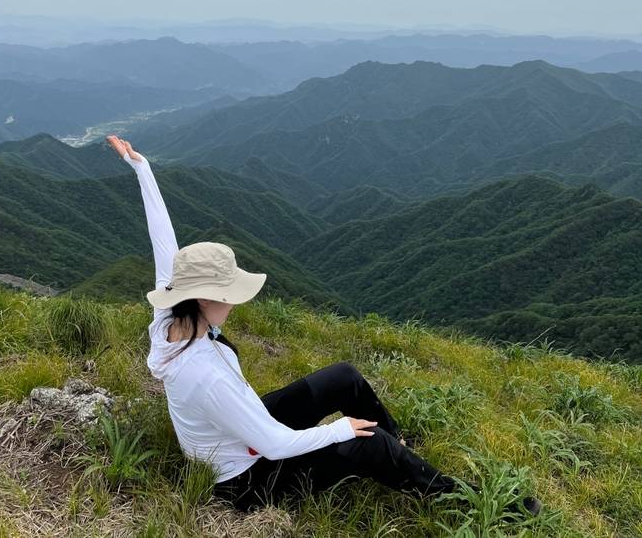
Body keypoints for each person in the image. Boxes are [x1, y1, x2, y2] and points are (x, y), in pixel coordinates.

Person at [106, 135, 541, 516]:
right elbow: (273, 445)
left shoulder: (170, 312)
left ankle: (397, 450)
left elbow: (164, 243)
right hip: (244, 481)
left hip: (239, 430)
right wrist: (339, 430)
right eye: (228, 293)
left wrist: (142, 169)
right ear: (203, 297)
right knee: (366, 442)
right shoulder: (205, 375)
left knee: (343, 378)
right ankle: (469, 500)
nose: (234, 302)